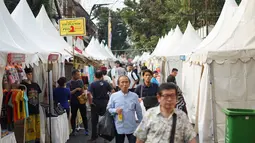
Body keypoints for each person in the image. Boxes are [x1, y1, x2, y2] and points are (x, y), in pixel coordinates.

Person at [107, 75, 143, 143]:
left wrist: (142, 125)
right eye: (122, 82)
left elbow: (139, 111)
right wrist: (115, 110)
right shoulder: (114, 96)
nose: (124, 84)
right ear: (118, 84)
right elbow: (109, 108)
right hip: (119, 126)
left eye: (126, 82)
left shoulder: (134, 96)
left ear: (129, 83)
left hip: (132, 126)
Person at [87, 70, 114, 142]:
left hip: (95, 103)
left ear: (95, 76)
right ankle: (105, 137)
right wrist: (110, 101)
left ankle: (94, 137)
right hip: (105, 103)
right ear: (102, 76)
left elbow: (88, 93)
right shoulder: (106, 83)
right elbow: (113, 91)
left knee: (94, 121)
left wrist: (90, 102)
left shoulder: (92, 84)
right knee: (105, 120)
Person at [21, 68, 42, 143]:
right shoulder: (23, 86)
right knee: (30, 128)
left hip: (36, 108)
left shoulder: (35, 84)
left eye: (31, 74)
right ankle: (30, 141)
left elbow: (38, 95)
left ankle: (37, 139)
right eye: (28, 74)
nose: (30, 76)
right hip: (28, 110)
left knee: (37, 126)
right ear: (25, 75)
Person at [66, 69, 88, 136]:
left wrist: (84, 94)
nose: (79, 76)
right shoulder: (68, 83)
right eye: (77, 75)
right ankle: (73, 130)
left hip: (81, 101)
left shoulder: (80, 81)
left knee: (84, 115)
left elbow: (83, 89)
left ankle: (86, 130)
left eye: (79, 74)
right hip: (73, 101)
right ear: (73, 75)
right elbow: (69, 93)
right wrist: (76, 90)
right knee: (73, 116)